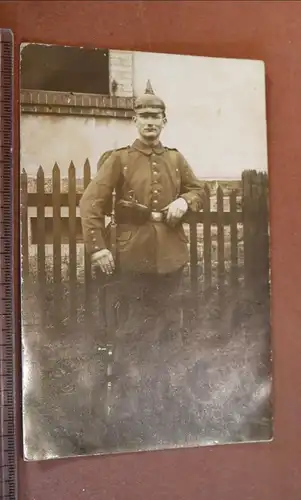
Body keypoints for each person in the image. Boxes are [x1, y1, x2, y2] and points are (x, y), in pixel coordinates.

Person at [79, 81, 206, 448]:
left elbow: (199, 189)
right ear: (135, 120)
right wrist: (98, 249)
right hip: (131, 259)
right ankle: (126, 409)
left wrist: (185, 201)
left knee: (167, 330)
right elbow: (91, 204)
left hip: (171, 258)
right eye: (144, 116)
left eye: (156, 116)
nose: (150, 122)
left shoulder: (176, 159)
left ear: (164, 121)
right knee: (130, 331)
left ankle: (165, 404)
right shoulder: (119, 158)